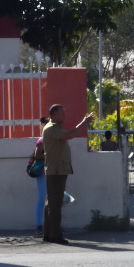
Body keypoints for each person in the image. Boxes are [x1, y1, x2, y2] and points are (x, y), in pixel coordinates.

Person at [41, 104, 95, 245]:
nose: (64, 116)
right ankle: (55, 235)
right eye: (61, 113)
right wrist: (84, 123)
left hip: (56, 170)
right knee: (55, 204)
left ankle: (49, 233)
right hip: (56, 171)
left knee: (52, 204)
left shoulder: (54, 127)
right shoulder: (52, 128)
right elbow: (69, 135)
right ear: (53, 115)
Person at [31, 117, 48, 235]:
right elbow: (37, 155)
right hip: (43, 172)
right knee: (43, 199)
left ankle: (46, 225)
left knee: (49, 200)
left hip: (50, 171)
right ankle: (39, 225)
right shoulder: (42, 141)